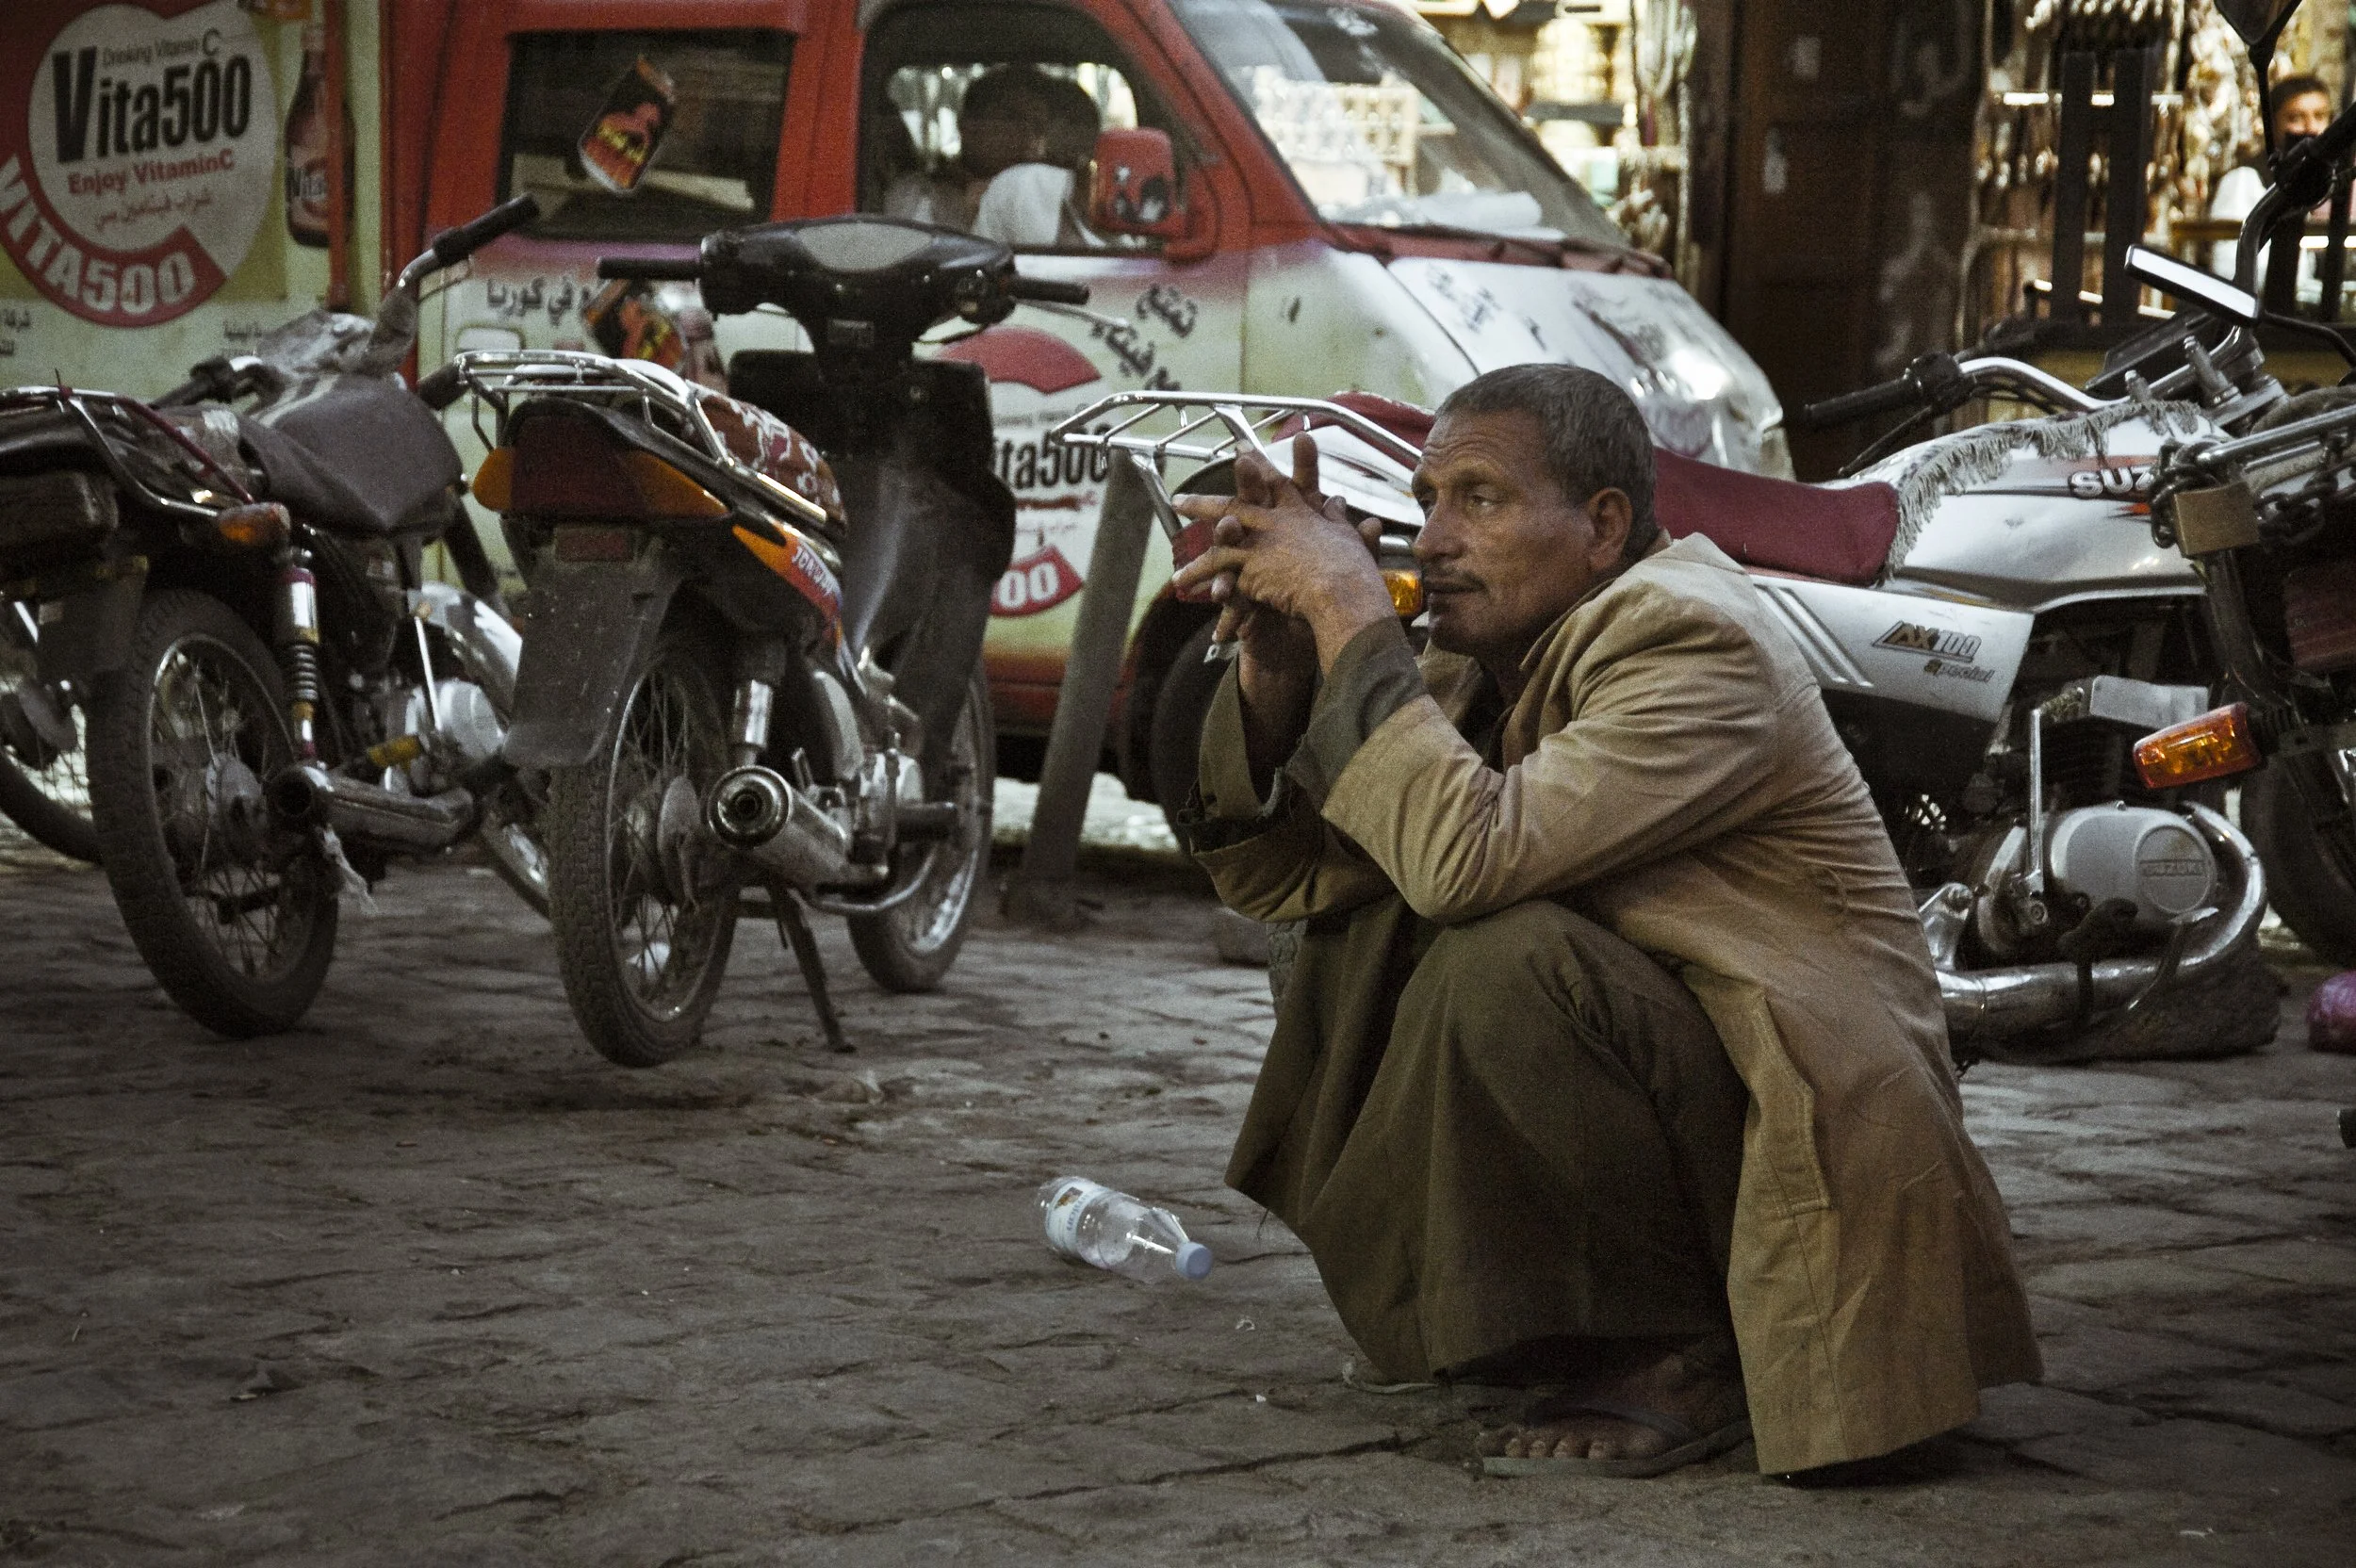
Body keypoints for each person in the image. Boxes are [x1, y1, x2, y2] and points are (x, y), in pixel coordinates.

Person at [1169, 365, 2039, 1479]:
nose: (1431, 539)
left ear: (1603, 525)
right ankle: (1542, 1316)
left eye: (1479, 499)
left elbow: (1463, 857)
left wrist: (1348, 607)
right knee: (1352, 927)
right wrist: (1283, 670)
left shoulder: (1691, 636)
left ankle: (1685, 1349)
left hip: (1803, 1116)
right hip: (1688, 1068)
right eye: (1427, 500)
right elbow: (1296, 874)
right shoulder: (1494, 649)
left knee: (1506, 961)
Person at [2209, 73, 2334, 281]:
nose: (2311, 128)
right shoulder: (2245, 179)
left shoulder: (2327, 180)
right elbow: (2229, 263)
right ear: (2272, 124)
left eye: (2320, 116)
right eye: (2295, 118)